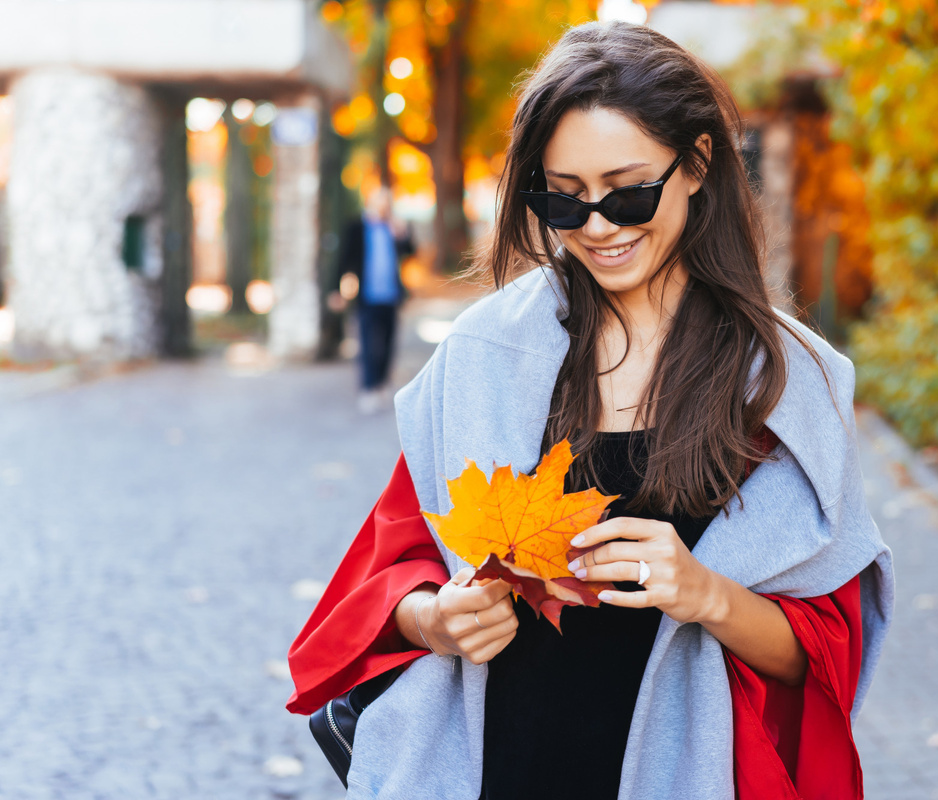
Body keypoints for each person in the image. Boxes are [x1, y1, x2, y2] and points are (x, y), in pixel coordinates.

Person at [288, 20, 893, 800]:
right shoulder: (483, 355)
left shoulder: (782, 381)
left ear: (698, 164)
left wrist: (706, 592)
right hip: (498, 763)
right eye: (564, 199)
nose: (599, 226)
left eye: (629, 190)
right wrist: (437, 619)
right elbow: (387, 575)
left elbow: (822, 658)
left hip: (684, 772)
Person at [336, 186, 414, 414]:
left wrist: (402, 235)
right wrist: (336, 290)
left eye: (387, 203)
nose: (384, 208)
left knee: (388, 344)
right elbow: (344, 260)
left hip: (390, 296)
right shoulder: (358, 227)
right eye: (380, 203)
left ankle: (381, 382)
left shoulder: (393, 228)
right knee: (368, 344)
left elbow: (411, 252)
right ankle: (368, 387)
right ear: (371, 203)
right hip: (367, 297)